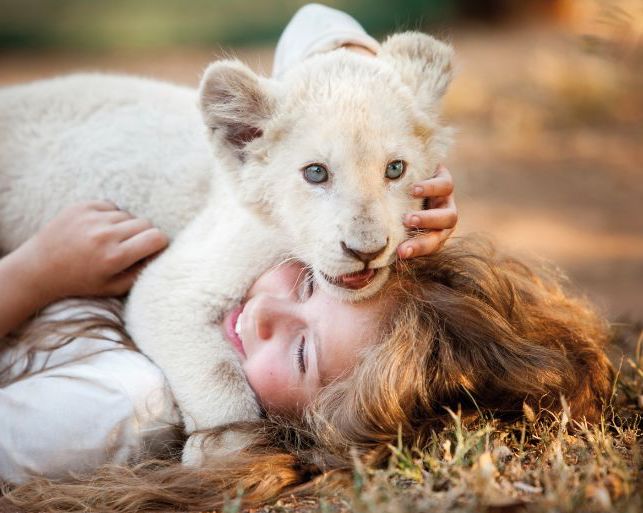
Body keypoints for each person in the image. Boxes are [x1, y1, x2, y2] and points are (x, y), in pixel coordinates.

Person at [0, 5, 613, 510]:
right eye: (317, 173)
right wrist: (228, 431)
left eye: (394, 168)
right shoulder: (259, 193)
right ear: (245, 143)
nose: (369, 236)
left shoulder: (331, 193)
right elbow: (163, 304)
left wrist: (390, 144)